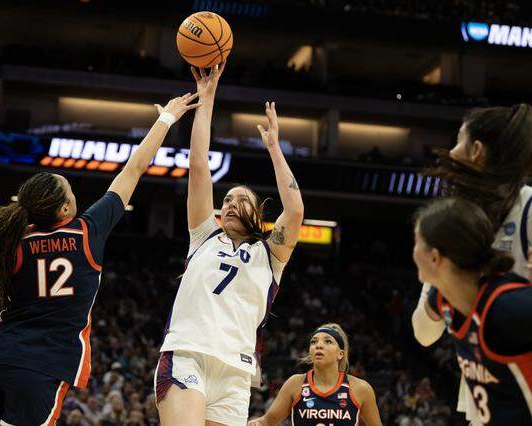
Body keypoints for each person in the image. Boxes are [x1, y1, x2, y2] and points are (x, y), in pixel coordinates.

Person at [0, 92, 200, 426]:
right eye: (71, 191)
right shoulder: (88, 230)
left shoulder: (13, 240)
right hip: (42, 367)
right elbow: (135, 167)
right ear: (65, 209)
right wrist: (166, 119)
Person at [155, 63, 304, 425]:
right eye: (228, 200)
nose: (231, 203)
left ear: (257, 214)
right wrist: (207, 99)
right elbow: (199, 165)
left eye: (242, 200)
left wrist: (273, 147)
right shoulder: (204, 235)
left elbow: (296, 209)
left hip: (236, 373)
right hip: (188, 354)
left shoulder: (270, 257)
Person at [411, 104, 532, 422]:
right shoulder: (450, 221)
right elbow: (423, 333)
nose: (450, 151)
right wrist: (442, 293)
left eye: (458, 140)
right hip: (484, 386)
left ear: (477, 150)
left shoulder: (529, 208)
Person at [412, 197, 532, 425]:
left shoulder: (508, 308)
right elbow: (422, 334)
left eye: (417, 242)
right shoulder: (442, 300)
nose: (413, 251)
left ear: (435, 257)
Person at [247, 323, 381, 426]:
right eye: (314, 341)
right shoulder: (295, 384)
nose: (318, 345)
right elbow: (267, 421)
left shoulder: (361, 389)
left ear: (341, 354)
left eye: (328, 341)